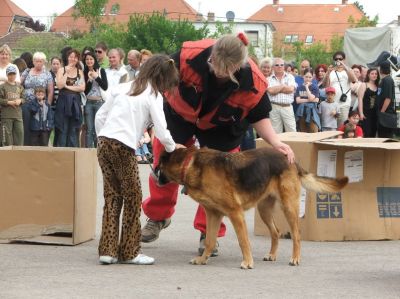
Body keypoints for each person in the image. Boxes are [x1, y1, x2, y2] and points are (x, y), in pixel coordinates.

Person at [140, 34, 295, 256]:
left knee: (219, 180)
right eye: (213, 63)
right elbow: (156, 86)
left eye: (223, 70)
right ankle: (158, 216)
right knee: (162, 164)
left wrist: (276, 142)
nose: (214, 70)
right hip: (179, 116)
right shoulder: (188, 56)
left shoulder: (254, 82)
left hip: (222, 128)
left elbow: (259, 116)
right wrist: (153, 123)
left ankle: (208, 233)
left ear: (236, 67)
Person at [94, 54, 184, 265]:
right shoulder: (153, 95)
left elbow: (100, 116)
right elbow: (161, 131)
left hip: (104, 142)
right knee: (133, 198)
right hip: (123, 146)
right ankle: (130, 251)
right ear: (162, 78)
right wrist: (173, 147)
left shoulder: (123, 87)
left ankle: (107, 251)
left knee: (112, 196)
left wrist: (103, 137)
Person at [20, 52, 54, 146]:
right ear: (33, 61)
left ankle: (40, 150)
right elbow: (18, 84)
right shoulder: (27, 71)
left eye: (41, 61)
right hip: (27, 104)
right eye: (36, 61)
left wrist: (47, 105)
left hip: (41, 105)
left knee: (40, 128)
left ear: (44, 62)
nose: (38, 63)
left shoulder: (47, 74)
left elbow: (50, 91)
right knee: (26, 127)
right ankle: (26, 148)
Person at [55, 49, 85, 147]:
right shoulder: (61, 70)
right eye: (71, 56)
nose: (73, 59)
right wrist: (66, 73)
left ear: (77, 59)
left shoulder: (79, 71)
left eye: (75, 57)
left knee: (73, 128)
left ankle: (73, 150)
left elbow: (82, 87)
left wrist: (67, 87)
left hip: (75, 102)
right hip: (63, 101)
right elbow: (59, 86)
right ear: (68, 57)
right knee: (63, 127)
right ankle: (61, 151)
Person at [323, 51, 357, 126]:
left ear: (344, 59)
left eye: (340, 59)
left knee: (341, 126)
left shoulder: (348, 70)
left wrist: (344, 66)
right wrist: (328, 73)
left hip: (344, 103)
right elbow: (326, 86)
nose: (338, 61)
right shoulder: (331, 72)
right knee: (331, 126)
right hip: (332, 103)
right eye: (336, 59)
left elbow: (354, 80)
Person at [83, 51, 108, 148]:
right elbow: (85, 91)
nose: (89, 61)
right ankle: (88, 151)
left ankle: (98, 151)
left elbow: (105, 86)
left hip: (99, 102)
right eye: (87, 59)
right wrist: (89, 80)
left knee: (98, 127)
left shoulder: (101, 70)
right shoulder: (84, 72)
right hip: (88, 102)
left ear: (95, 60)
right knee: (89, 128)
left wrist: (96, 77)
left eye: (91, 59)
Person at [267, 57, 297, 133]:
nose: (279, 66)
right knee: (275, 133)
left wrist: (276, 89)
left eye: (281, 65)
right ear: (273, 67)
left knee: (292, 132)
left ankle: (292, 145)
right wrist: (283, 86)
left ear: (284, 66)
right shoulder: (268, 79)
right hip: (274, 107)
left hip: (287, 107)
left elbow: (290, 90)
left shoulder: (290, 77)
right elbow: (271, 91)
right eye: (277, 65)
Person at [0, 65, 25, 145]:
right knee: (7, 138)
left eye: (13, 74)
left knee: (19, 136)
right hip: (6, 115)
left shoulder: (20, 87)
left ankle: (18, 155)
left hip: (18, 115)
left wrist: (20, 100)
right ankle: (7, 155)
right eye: (10, 74)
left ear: (16, 75)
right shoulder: (2, 87)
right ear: (7, 75)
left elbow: (24, 98)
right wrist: (8, 102)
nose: (12, 76)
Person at [295, 68, 320, 132]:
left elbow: (315, 100)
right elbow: (298, 101)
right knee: (303, 132)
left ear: (312, 77)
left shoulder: (314, 87)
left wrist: (306, 87)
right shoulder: (299, 87)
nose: (308, 79)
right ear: (303, 76)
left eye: (310, 77)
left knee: (314, 131)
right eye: (306, 77)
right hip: (301, 113)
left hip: (312, 113)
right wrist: (310, 100)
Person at [357, 68, 379, 137]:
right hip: (365, 113)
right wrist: (361, 113)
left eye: (376, 74)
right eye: (372, 74)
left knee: (373, 132)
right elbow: (360, 99)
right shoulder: (364, 85)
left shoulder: (378, 86)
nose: (374, 75)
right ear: (368, 75)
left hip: (375, 113)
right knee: (366, 132)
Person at [376, 61, 396, 138]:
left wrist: (382, 112)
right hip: (383, 113)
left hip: (386, 114)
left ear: (381, 69)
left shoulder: (387, 80)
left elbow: (388, 98)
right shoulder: (384, 80)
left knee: (385, 137)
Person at [49, 56, 62, 146]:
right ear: (51, 64)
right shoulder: (48, 75)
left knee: (58, 128)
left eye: (57, 64)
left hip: (61, 106)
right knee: (49, 128)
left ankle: (56, 147)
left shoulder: (63, 75)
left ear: (60, 65)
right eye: (54, 64)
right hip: (50, 105)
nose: (55, 66)